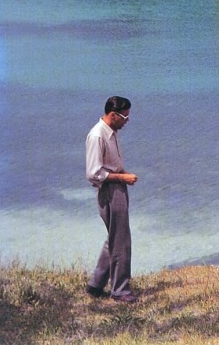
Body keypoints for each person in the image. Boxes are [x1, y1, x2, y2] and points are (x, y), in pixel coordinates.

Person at [85, 96, 139, 303]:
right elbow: (93, 172)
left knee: (115, 237)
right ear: (113, 115)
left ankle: (96, 284)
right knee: (121, 241)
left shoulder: (112, 133)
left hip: (117, 186)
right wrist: (122, 177)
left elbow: (110, 164)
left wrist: (122, 173)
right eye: (125, 117)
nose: (127, 121)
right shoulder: (97, 135)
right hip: (109, 190)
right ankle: (120, 290)